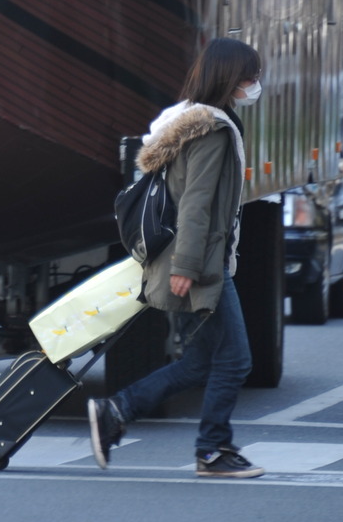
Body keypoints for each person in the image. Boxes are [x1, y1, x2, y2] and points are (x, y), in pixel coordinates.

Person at [87, 38, 267, 478]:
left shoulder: (188, 120)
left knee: (202, 361)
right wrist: (187, 268)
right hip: (199, 264)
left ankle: (116, 411)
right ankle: (213, 450)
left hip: (192, 260)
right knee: (236, 359)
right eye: (249, 76)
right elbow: (196, 204)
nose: (255, 84)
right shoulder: (212, 130)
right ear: (229, 78)